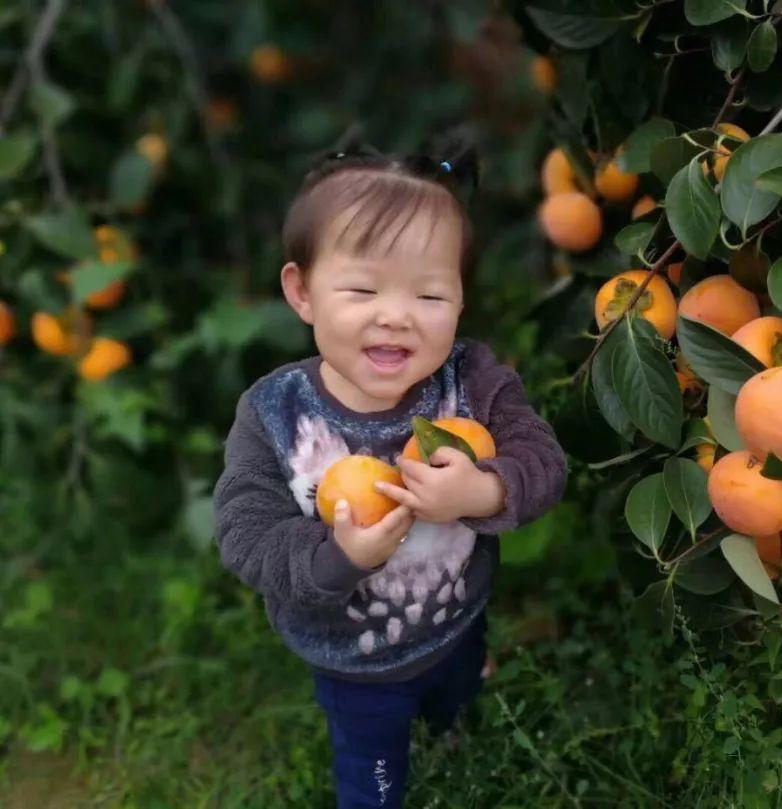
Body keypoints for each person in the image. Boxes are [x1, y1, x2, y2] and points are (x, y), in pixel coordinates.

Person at [211, 132, 567, 808]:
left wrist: (484, 487)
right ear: (303, 291)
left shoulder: (471, 382)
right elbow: (245, 533)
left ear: (461, 299)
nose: (397, 317)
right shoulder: (277, 414)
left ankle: (456, 719)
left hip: (458, 619)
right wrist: (336, 551)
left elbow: (543, 460)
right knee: (373, 771)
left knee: (458, 692)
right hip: (356, 665)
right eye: (362, 288)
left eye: (430, 297)